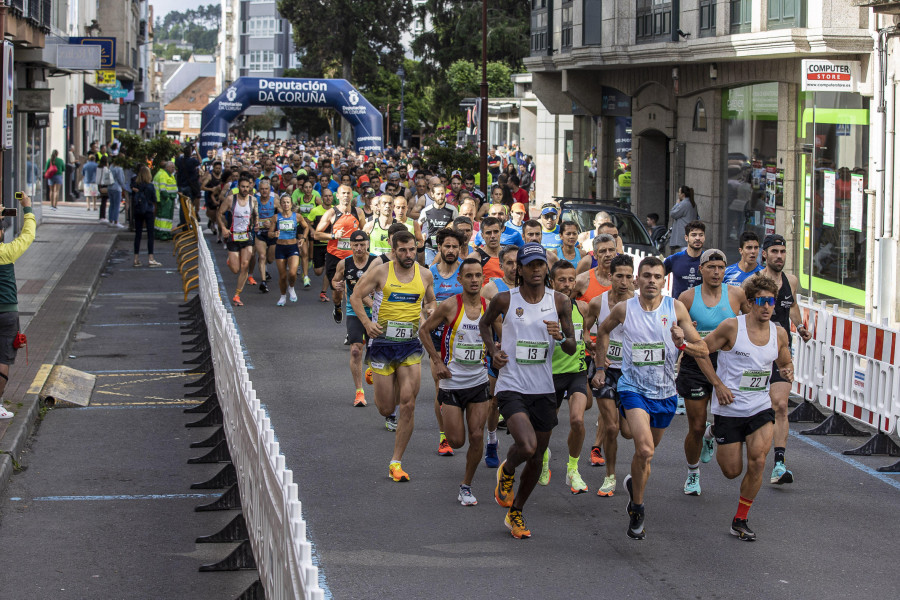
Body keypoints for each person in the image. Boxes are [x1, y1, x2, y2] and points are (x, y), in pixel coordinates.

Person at [591, 256, 707, 540]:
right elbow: (602, 331)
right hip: (633, 388)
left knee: (646, 455)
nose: (652, 281)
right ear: (636, 280)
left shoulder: (675, 308)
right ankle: (638, 508)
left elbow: (702, 349)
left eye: (657, 276)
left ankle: (634, 487)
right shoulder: (624, 309)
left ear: (663, 280)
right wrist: (602, 367)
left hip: (666, 393)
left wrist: (684, 343)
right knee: (644, 450)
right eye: (647, 276)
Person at [481, 243, 577, 539]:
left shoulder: (559, 301)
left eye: (540, 265)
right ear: (519, 269)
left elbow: (573, 345)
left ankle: (517, 511)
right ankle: (507, 470)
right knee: (528, 446)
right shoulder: (505, 300)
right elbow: (485, 325)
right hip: (512, 384)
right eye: (530, 265)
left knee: (537, 457)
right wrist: (492, 351)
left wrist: (562, 337)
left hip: (543, 388)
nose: (536, 270)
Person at [694, 275, 794, 541]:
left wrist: (787, 369)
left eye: (771, 302)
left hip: (760, 407)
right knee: (731, 472)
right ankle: (713, 432)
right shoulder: (731, 327)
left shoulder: (779, 332)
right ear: (749, 303)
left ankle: (740, 519)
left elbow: (784, 359)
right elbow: (701, 351)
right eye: (761, 301)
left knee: (759, 461)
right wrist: (717, 384)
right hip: (729, 409)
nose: (767, 307)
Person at [350, 230, 437, 482]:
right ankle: (378, 377)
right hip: (383, 343)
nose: (408, 254)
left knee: (408, 404)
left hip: (410, 344)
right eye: (403, 250)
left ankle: (395, 461)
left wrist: (431, 311)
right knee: (386, 408)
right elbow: (356, 296)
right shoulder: (380, 271)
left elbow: (431, 302)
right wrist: (367, 323)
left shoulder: (425, 274)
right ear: (393, 249)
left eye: (412, 249)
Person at [420, 258, 494, 505]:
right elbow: (424, 331)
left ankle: (466, 485)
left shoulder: (489, 307)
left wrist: (500, 352)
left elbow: (505, 337)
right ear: (460, 279)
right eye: (469, 276)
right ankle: (445, 410)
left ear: (483, 279)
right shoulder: (450, 306)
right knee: (456, 441)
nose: (474, 280)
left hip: (478, 381)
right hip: (452, 383)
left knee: (476, 436)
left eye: (478, 275)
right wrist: (437, 361)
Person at [675, 249, 748, 496]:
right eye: (711, 267)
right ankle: (693, 473)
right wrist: (685, 330)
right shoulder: (686, 298)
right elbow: (674, 330)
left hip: (727, 365)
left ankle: (712, 433)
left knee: (724, 422)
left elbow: (750, 325)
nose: (716, 272)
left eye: (721, 267)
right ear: (702, 269)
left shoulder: (737, 295)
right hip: (695, 365)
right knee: (695, 425)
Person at [755, 234, 811, 484]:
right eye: (774, 251)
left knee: (780, 405)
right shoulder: (754, 282)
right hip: (755, 353)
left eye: (783, 251)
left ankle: (779, 464)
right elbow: (743, 313)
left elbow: (792, 306)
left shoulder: (791, 280)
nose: (779, 256)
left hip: (781, 352)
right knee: (754, 408)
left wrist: (799, 327)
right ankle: (717, 432)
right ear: (764, 254)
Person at [584, 254, 635, 496]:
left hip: (632, 373)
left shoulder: (639, 303)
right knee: (612, 427)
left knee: (627, 431)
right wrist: (590, 345)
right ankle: (610, 477)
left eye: (628, 276)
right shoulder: (598, 302)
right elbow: (586, 327)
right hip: (605, 370)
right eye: (620, 276)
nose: (624, 281)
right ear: (610, 276)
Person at [547, 260, 591, 494]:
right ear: (552, 282)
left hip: (576, 372)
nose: (566, 284)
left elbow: (586, 338)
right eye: (561, 280)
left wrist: (592, 351)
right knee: (546, 426)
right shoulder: (543, 309)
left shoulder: (582, 308)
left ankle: (572, 469)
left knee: (577, 421)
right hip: (549, 374)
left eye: (571, 279)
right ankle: (543, 458)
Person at [427, 229, 466, 455]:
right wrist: (430, 312)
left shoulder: (465, 271)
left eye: (455, 247)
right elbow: (424, 306)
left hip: (463, 338)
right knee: (440, 386)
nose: (450, 251)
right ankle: (443, 436)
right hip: (437, 338)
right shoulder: (429, 273)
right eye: (446, 246)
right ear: (439, 247)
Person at [0, 192, 36, 419]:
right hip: (7, 312)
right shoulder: (7, 252)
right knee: (3, 359)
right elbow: (28, 235)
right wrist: (28, 208)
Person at [333, 230, 378, 407]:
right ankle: (359, 392)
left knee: (377, 353)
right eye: (355, 245)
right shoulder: (344, 263)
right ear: (350, 246)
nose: (359, 248)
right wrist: (336, 285)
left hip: (375, 312)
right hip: (355, 311)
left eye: (362, 245)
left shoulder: (377, 262)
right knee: (355, 350)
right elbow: (336, 282)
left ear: (367, 244)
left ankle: (381, 388)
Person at [316, 184, 367, 323]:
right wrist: (333, 236)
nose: (345, 195)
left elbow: (365, 233)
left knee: (355, 293)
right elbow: (317, 234)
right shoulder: (331, 213)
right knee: (337, 293)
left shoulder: (358, 212)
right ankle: (337, 307)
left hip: (354, 258)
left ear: (352, 195)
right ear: (337, 196)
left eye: (348, 193)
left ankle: (353, 323)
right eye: (343, 193)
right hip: (335, 257)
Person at [217, 175, 257, 306]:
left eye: (247, 187)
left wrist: (256, 224)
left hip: (246, 236)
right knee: (235, 269)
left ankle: (237, 295)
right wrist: (223, 228)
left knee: (245, 265)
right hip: (233, 236)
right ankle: (231, 260)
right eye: (243, 187)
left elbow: (256, 215)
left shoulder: (253, 200)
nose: (245, 189)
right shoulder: (230, 199)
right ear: (238, 187)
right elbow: (219, 213)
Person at [268, 193, 307, 306]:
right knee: (283, 276)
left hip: (292, 247)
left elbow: (306, 227)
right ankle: (283, 296)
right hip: (280, 248)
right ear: (281, 204)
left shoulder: (297, 216)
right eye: (284, 202)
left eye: (288, 202)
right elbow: (269, 233)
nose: (286, 204)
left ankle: (291, 287)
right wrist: (274, 233)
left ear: (291, 204)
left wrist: (303, 238)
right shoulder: (276, 217)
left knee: (293, 273)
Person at [664, 220, 706, 299]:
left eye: (701, 235)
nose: (698, 238)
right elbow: (657, 275)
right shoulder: (674, 259)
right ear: (686, 238)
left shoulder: (709, 261)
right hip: (678, 307)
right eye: (693, 235)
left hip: (701, 309)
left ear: (704, 237)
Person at [130, 166, 161, 268]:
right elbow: (154, 199)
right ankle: (151, 258)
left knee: (138, 234)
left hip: (138, 211)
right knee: (150, 234)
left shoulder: (135, 185)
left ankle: (136, 258)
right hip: (148, 211)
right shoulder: (150, 186)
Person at [574, 234, 616, 301]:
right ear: (595, 255)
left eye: (611, 250)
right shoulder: (582, 280)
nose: (608, 254)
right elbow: (563, 305)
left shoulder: (623, 281)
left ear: (616, 253)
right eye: (603, 251)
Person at [253, 178, 277, 293]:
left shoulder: (275, 200)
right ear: (259, 190)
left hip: (271, 233)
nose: (264, 191)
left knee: (270, 259)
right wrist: (255, 222)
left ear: (269, 189)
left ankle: (264, 266)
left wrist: (272, 222)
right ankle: (263, 282)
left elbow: (283, 214)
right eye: (262, 189)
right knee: (262, 256)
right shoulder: (254, 200)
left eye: (266, 189)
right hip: (260, 233)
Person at [467, 217, 505, 282]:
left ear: (501, 232)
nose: (493, 236)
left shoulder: (508, 255)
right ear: (482, 236)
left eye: (496, 232)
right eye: (488, 233)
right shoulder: (475, 257)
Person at [175, 144, 201, 225]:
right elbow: (200, 161)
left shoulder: (179, 160)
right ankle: (187, 222)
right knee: (189, 205)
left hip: (181, 186)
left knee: (182, 206)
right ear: (190, 153)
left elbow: (177, 157)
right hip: (189, 186)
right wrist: (196, 151)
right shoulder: (192, 161)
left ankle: (183, 222)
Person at [152, 162, 178, 240]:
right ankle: (164, 233)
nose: (174, 169)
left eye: (174, 167)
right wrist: (167, 198)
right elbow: (163, 189)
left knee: (160, 217)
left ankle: (160, 232)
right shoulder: (164, 175)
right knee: (165, 217)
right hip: (166, 199)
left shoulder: (165, 174)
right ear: (167, 168)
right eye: (172, 167)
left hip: (166, 199)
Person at [669, 186, 698, 253]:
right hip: (689, 231)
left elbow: (673, 214)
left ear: (683, 194)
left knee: (685, 251)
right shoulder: (692, 203)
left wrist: (677, 204)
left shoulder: (684, 204)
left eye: (679, 192)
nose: (678, 194)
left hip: (684, 232)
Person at [107, 158, 126, 228]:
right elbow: (121, 179)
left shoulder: (111, 167)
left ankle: (110, 220)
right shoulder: (119, 169)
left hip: (110, 187)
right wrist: (124, 187)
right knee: (117, 205)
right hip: (117, 188)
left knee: (111, 205)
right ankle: (116, 221)